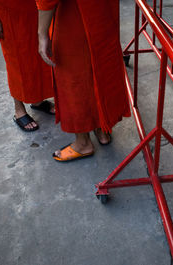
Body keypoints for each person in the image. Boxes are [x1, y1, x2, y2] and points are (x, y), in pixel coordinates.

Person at [36, 0, 130, 162]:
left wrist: (42, 33)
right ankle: (102, 128)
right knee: (100, 66)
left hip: (73, 15)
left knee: (74, 76)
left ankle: (83, 143)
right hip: (102, 12)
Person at [0, 0, 55, 132]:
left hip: (34, 4)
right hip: (6, 6)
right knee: (15, 54)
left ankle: (37, 100)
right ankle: (19, 109)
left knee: (37, 49)